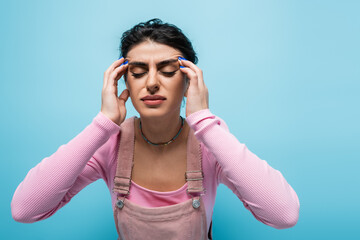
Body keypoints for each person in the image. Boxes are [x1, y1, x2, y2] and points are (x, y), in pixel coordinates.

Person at [11, 18, 300, 239]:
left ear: (188, 81)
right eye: (137, 72)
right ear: (125, 82)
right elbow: (24, 210)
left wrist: (203, 121)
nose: (151, 82)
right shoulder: (110, 143)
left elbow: (283, 214)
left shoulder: (211, 142)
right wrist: (102, 125)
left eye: (167, 70)